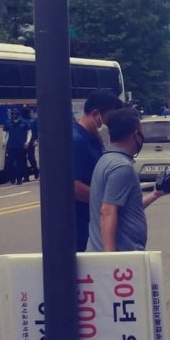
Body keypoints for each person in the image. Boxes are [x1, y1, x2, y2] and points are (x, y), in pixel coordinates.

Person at [87, 107, 170, 251]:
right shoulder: (121, 167)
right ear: (136, 135)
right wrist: (111, 260)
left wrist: (156, 194)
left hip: (118, 256)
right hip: (123, 258)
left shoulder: (106, 159)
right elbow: (107, 212)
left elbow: (125, 209)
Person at [73, 89, 124, 251]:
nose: (110, 125)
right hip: (80, 226)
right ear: (96, 115)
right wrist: (108, 201)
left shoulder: (94, 138)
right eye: (109, 120)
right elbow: (75, 187)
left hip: (93, 222)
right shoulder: (77, 141)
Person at [4, 106, 31, 185]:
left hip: (21, 146)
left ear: (18, 114)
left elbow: (29, 132)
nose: (14, 116)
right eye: (13, 114)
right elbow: (5, 133)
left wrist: (27, 142)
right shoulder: (8, 123)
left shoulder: (24, 123)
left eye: (15, 114)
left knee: (20, 163)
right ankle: (12, 178)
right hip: (11, 146)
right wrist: (4, 142)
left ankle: (19, 179)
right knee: (10, 163)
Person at [21, 106, 39, 182]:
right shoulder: (21, 121)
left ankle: (35, 169)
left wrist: (36, 140)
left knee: (30, 157)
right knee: (23, 159)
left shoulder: (33, 121)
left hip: (31, 141)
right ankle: (26, 176)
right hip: (22, 142)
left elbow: (37, 130)